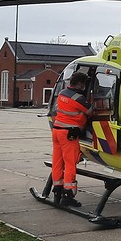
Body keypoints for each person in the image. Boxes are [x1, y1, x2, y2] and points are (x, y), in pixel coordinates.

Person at [51, 71, 91, 207]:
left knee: (57, 161)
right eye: (84, 84)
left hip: (57, 130)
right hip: (69, 133)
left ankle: (57, 189)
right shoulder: (79, 98)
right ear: (80, 84)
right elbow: (91, 111)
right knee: (70, 163)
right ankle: (68, 193)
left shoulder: (62, 93)